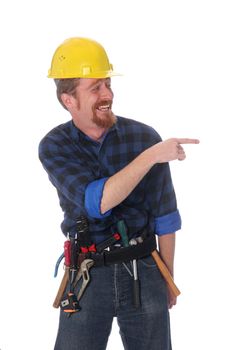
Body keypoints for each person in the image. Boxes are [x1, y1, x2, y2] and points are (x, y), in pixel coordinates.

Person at [39, 37, 199, 350]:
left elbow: (165, 215)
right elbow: (96, 203)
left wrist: (168, 276)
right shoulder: (55, 146)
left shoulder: (143, 136)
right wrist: (151, 156)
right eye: (95, 87)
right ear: (68, 99)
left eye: (108, 84)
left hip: (145, 267)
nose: (108, 94)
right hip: (87, 275)